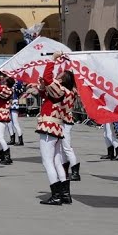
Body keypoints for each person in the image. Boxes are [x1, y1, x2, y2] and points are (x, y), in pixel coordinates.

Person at [35, 59, 77, 206]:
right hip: (58, 126)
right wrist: (42, 87)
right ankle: (65, 194)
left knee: (47, 161)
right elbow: (47, 96)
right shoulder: (68, 91)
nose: (57, 75)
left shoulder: (59, 89)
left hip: (49, 125)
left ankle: (56, 195)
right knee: (57, 161)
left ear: (62, 79)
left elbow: (47, 77)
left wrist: (51, 61)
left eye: (60, 74)